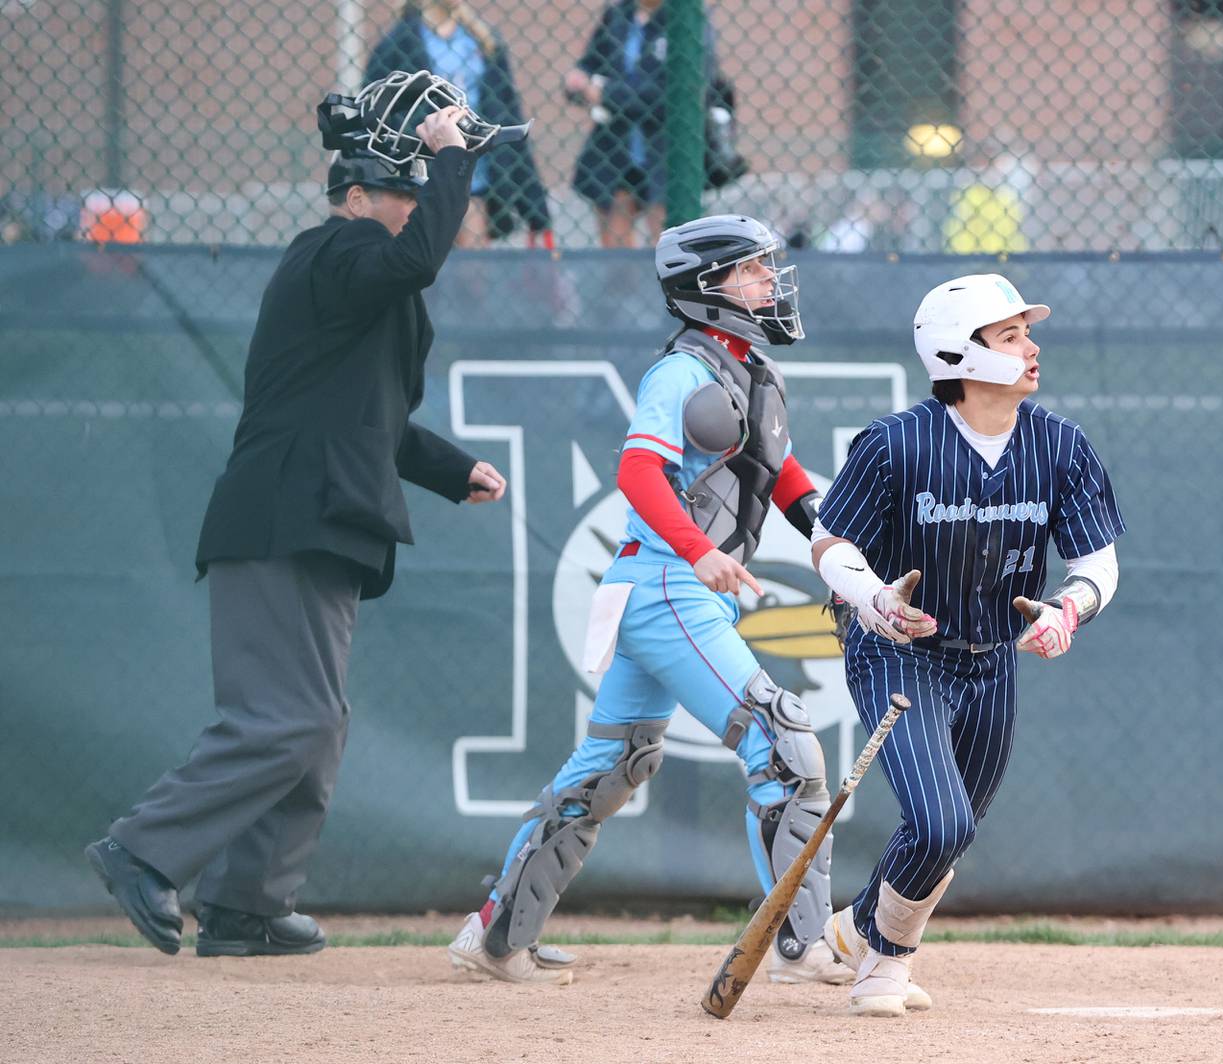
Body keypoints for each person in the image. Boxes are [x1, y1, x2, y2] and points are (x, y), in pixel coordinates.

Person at [84, 105, 510, 958]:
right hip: (284, 516)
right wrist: (452, 155)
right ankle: (141, 849)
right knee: (290, 720)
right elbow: (418, 256)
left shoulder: (362, 287)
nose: (412, 205)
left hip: (323, 518)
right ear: (353, 195)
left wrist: (449, 468)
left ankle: (247, 906)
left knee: (316, 725)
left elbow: (376, 420)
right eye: (399, 192)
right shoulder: (334, 250)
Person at [446, 214, 850, 988]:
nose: (769, 282)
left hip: (667, 590)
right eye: (752, 270)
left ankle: (497, 938)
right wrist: (700, 552)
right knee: (783, 743)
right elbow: (638, 475)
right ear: (710, 287)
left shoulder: (749, 372)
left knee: (613, 764)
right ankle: (800, 947)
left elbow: (786, 478)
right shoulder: (682, 372)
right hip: (670, 583)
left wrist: (845, 553)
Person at [811, 273, 1125, 1016]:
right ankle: (886, 963)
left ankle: (855, 928)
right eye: (1010, 335)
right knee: (942, 821)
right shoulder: (895, 444)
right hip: (899, 649)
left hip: (991, 661)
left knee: (948, 832)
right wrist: (875, 598)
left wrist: (1067, 612)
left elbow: (1097, 564)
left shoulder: (1059, 444)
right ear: (959, 351)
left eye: (1027, 332)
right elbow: (830, 544)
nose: (1031, 346)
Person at [366, 0, 552, 248]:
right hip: (418, 177)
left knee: (473, 267)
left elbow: (508, 115)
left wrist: (535, 206)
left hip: (471, 176)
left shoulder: (482, 40)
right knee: (420, 264)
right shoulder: (399, 42)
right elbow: (375, 113)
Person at [563, 0, 716, 248]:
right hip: (616, 145)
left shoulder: (687, 18)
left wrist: (607, 94)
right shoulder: (618, 15)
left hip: (666, 148)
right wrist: (579, 80)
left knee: (669, 241)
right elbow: (591, 62)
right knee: (615, 241)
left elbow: (676, 94)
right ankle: (623, 286)